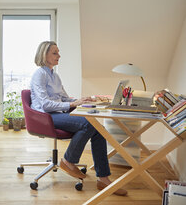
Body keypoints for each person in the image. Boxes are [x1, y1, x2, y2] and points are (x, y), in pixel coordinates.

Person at [30, 41, 127, 196]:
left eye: (58, 52)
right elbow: (45, 105)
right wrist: (72, 104)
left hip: (57, 113)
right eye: (55, 53)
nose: (59, 56)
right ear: (44, 55)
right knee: (87, 125)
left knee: (98, 130)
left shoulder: (55, 75)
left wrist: (80, 100)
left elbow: (64, 98)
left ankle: (103, 178)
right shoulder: (39, 75)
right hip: (44, 117)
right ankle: (68, 161)